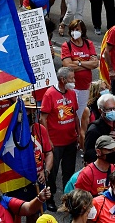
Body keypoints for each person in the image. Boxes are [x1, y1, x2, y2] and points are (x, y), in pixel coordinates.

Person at [40, 66, 80, 211]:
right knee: (52, 172)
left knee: (69, 172)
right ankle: (49, 199)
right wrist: (48, 140)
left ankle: (67, 199)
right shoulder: (50, 94)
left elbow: (74, 114)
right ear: (62, 80)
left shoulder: (72, 93)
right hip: (55, 143)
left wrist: (78, 133)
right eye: (71, 79)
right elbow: (43, 118)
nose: (74, 81)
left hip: (70, 140)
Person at [61, 19, 99, 119]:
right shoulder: (67, 45)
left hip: (86, 87)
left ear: (82, 31)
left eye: (77, 29)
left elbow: (95, 64)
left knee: (82, 114)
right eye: (72, 30)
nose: (74, 32)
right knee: (69, 114)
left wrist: (78, 62)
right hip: (72, 87)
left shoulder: (88, 44)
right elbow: (68, 66)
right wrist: (87, 64)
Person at [84, 93, 115, 162]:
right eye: (109, 109)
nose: (113, 112)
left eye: (114, 108)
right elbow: (88, 155)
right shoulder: (94, 130)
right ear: (100, 110)